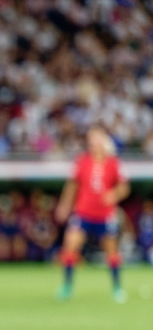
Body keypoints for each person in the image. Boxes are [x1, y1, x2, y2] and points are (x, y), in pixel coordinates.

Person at [54, 126, 130, 302]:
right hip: (83, 212)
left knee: (111, 251)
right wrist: (65, 206)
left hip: (105, 214)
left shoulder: (113, 163)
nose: (93, 142)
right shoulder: (82, 161)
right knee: (70, 246)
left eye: (97, 138)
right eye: (91, 139)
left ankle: (117, 288)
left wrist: (114, 194)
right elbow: (72, 185)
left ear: (104, 140)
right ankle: (67, 287)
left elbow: (124, 187)